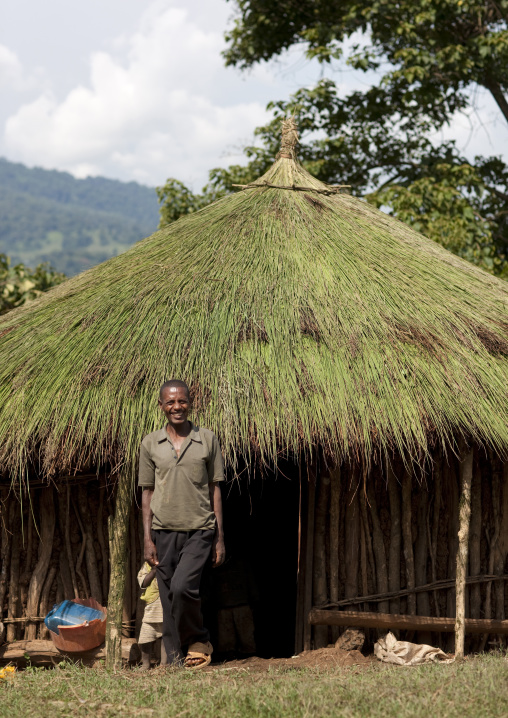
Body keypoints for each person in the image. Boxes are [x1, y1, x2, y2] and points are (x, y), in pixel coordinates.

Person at [138, 379, 225, 669]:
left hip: (200, 528)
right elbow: (147, 492)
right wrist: (148, 539)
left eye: (182, 401)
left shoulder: (207, 439)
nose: (177, 406)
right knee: (167, 594)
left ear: (191, 402)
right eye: (171, 402)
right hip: (163, 531)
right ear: (161, 406)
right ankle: (174, 662)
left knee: (182, 587)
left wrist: (219, 537)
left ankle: (199, 639)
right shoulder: (150, 443)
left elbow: (215, 488)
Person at [137, 561, 166, 670]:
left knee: (165, 638)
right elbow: (143, 583)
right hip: (151, 609)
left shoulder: (171, 561)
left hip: (165, 608)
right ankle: (145, 664)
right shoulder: (147, 566)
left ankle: (164, 664)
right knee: (145, 638)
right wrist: (154, 570)